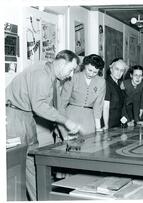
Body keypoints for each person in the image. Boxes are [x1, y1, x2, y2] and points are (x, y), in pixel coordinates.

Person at [5, 50, 81, 200]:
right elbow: (40, 106)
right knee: (14, 166)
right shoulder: (41, 74)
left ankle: (40, 199)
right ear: (61, 63)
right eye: (71, 69)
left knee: (32, 160)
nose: (71, 74)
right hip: (13, 115)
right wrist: (66, 121)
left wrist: (65, 134)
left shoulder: (52, 76)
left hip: (27, 116)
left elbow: (56, 107)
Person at [59, 54, 106, 137]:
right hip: (71, 116)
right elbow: (63, 102)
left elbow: (98, 105)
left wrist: (98, 127)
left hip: (89, 119)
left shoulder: (101, 82)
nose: (91, 74)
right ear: (84, 66)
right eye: (89, 70)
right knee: (68, 146)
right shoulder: (73, 77)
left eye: (95, 72)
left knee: (88, 145)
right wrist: (61, 123)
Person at [102, 58, 128, 129]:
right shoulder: (106, 83)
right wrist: (106, 125)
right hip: (108, 123)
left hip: (118, 123)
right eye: (117, 69)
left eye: (122, 70)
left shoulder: (119, 84)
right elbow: (105, 107)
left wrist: (126, 121)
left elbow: (122, 106)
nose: (119, 72)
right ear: (111, 69)